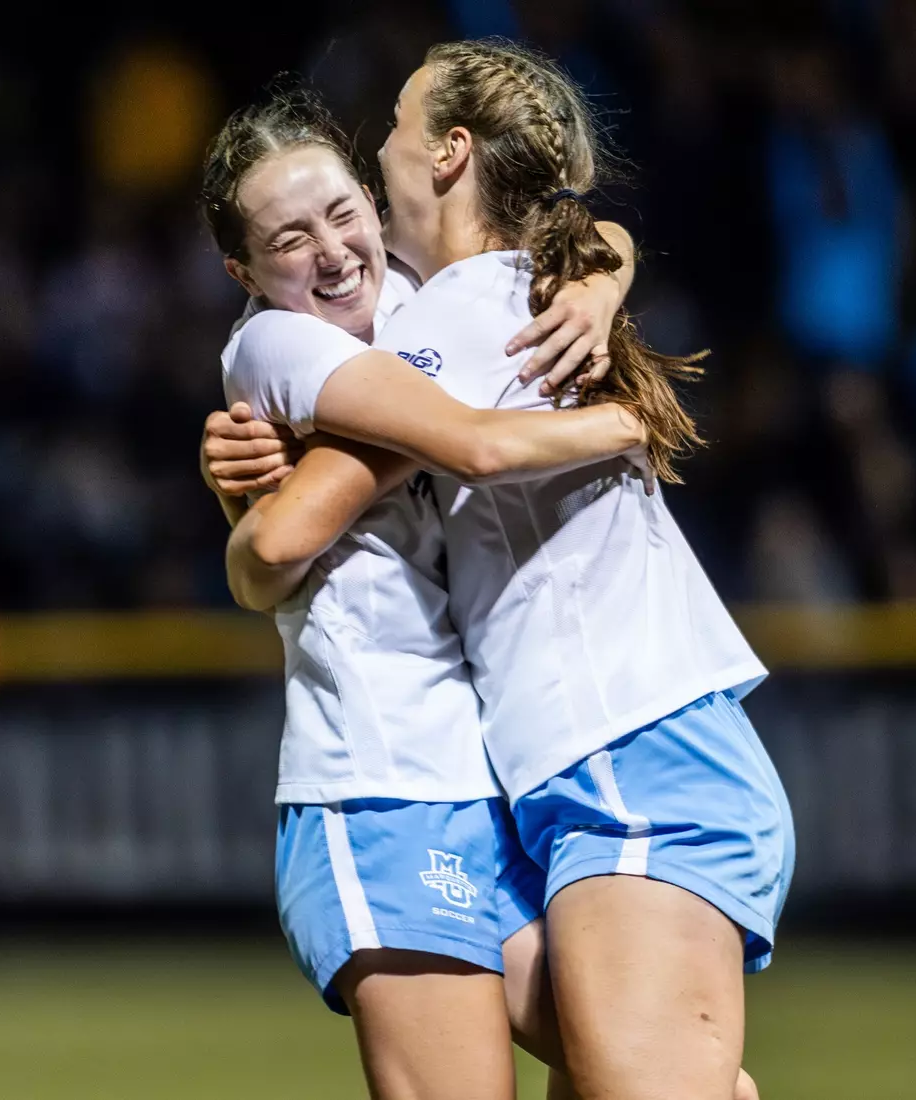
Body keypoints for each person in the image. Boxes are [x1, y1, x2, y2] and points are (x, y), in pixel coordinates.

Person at [210, 41, 792, 1100]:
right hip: (573, 766)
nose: (379, 140)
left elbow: (296, 531)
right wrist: (608, 280)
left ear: (447, 154)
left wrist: (249, 529)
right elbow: (585, 234)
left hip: (619, 757)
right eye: (287, 237)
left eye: (391, 123)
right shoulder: (498, 299)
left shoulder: (440, 329)